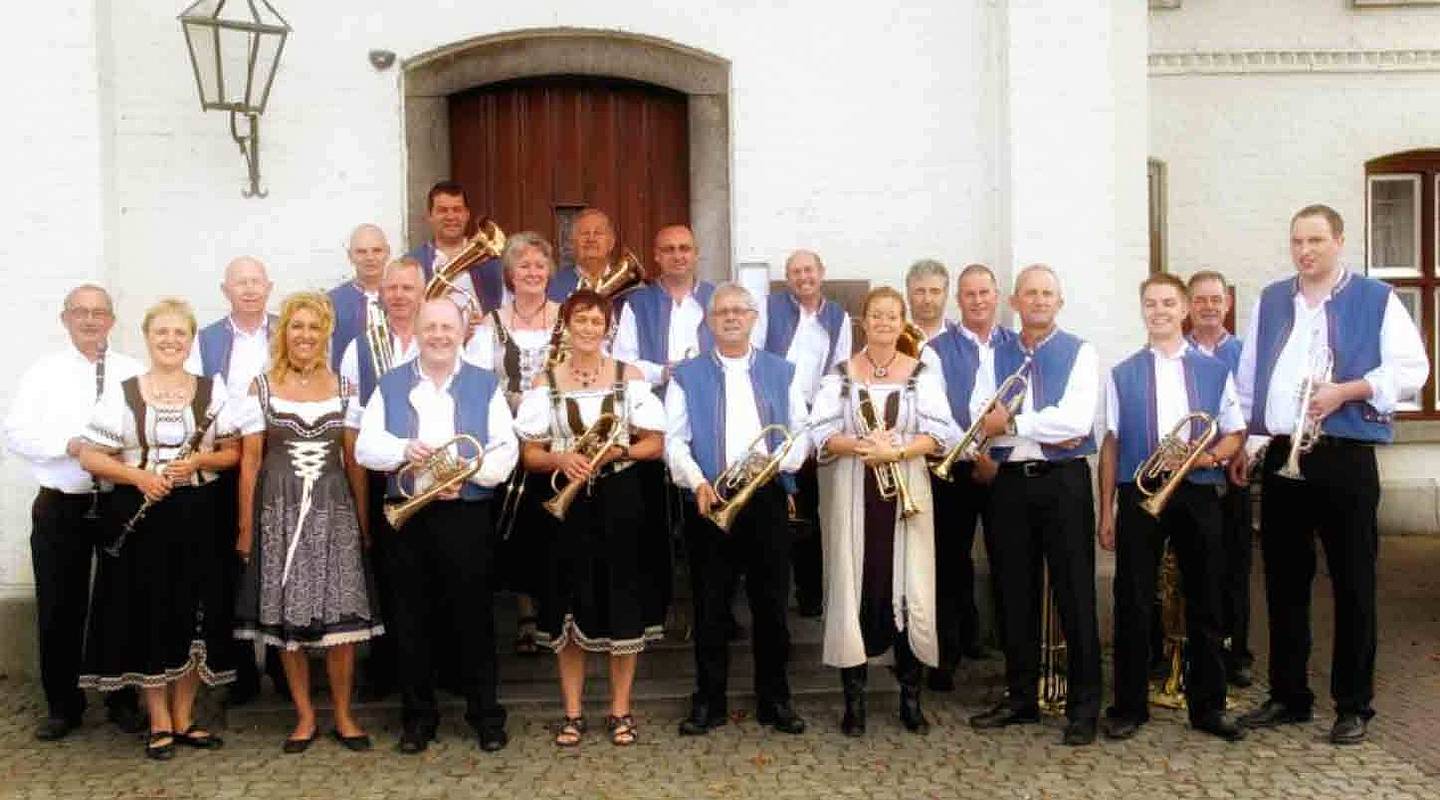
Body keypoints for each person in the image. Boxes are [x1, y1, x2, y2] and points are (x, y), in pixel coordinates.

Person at [1233, 204, 1428, 745]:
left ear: (1339, 241)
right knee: (1283, 581)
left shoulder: (1375, 299)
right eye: (1297, 240)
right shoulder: (1272, 299)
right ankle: (1289, 695)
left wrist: (1345, 391)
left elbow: (1414, 370)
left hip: (1345, 454)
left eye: (1316, 240)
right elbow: (1251, 377)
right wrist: (1249, 440)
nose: (1305, 250)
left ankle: (1354, 704)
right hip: (1281, 455)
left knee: (1353, 582)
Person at [75, 298, 237, 760]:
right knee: (151, 613)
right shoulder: (124, 391)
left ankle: (184, 716)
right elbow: (90, 455)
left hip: (199, 512)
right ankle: (158, 719)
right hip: (141, 512)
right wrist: (141, 477)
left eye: (179, 333)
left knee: (193, 613)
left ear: (190, 340)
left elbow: (233, 452)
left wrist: (201, 460)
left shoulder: (212, 389)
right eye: (161, 333)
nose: (170, 341)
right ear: (148, 338)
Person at [355, 299, 519, 754]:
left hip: (464, 514)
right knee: (409, 619)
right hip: (407, 516)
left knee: (473, 618)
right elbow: (366, 448)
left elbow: (505, 451)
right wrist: (405, 449)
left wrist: (465, 472)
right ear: (418, 331)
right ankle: (417, 719)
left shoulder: (484, 384)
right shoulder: (390, 383)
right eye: (431, 327)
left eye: (448, 327)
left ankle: (485, 716)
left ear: (463, 332)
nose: (440, 335)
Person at [1096, 273, 1247, 742]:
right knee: (1133, 598)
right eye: (1149, 304)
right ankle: (1128, 706)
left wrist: (1208, 456)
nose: (1158, 311)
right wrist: (1106, 512)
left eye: (1167, 303)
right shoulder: (1121, 373)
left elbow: (1235, 433)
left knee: (1206, 597)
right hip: (1142, 490)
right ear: (1142, 310)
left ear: (1183, 310)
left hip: (1198, 486)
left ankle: (1208, 707)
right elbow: (1110, 445)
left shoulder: (1214, 370)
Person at [232, 292, 384, 753]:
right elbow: (250, 462)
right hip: (280, 511)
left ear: (326, 335)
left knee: (341, 620)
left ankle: (342, 714)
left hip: (334, 511)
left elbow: (354, 460)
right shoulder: (260, 387)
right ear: (284, 333)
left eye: (313, 327)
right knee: (287, 622)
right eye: (296, 326)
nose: (305, 335)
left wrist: (362, 519)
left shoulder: (345, 388)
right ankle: (303, 716)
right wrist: (245, 526)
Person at [515, 290, 666, 746]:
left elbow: (654, 444)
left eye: (596, 321)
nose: (587, 328)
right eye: (580, 320)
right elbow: (529, 454)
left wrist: (618, 450)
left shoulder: (629, 375)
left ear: (607, 328)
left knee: (621, 602)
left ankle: (621, 711)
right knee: (569, 606)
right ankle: (573, 713)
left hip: (620, 501)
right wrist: (560, 458)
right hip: (567, 505)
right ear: (566, 324)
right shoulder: (545, 382)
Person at [665, 283, 810, 736]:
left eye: (739, 311)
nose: (730, 318)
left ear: (753, 319)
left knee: (771, 606)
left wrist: (779, 464)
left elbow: (802, 433)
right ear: (709, 323)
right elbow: (674, 440)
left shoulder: (781, 371)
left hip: (765, 495)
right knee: (709, 607)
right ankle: (709, 701)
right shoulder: (686, 375)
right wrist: (697, 481)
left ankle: (776, 699)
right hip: (712, 497)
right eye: (722, 312)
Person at [968, 264, 1102, 747]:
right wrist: (998, 423)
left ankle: (1084, 706)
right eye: (1031, 293)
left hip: (1063, 481)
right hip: (1008, 485)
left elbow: (1075, 421)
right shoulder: (994, 353)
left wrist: (1016, 423)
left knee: (1075, 593)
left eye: (1048, 293)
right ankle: (1020, 697)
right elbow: (979, 413)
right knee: (1013, 594)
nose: (1040, 300)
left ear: (1059, 302)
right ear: (1015, 302)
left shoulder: (1081, 351)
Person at [3, 285, 145, 740]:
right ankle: (63, 704)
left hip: (118, 501)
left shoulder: (132, 371)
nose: (90, 321)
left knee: (122, 603)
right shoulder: (43, 373)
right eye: (80, 313)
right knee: (60, 606)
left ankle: (122, 698)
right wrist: (68, 444)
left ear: (111, 320)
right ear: (64, 318)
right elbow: (16, 434)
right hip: (63, 502)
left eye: (99, 312)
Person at [810, 287, 951, 736]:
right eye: (877, 316)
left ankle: (911, 698)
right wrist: (861, 446)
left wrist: (899, 449)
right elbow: (821, 432)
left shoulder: (923, 373)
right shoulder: (841, 374)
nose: (885, 324)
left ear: (902, 322)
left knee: (911, 585)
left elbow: (941, 432)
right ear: (863, 322)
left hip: (907, 488)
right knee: (856, 584)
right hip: (855, 489)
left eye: (893, 317)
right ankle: (855, 702)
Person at [185, 255, 277, 706]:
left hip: (280, 457)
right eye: (240, 283)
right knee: (229, 565)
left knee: (280, 559)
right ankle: (237, 668)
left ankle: (281, 665)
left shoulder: (288, 330)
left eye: (256, 282)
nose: (249, 289)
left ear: (269, 287)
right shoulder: (207, 339)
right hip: (228, 457)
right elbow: (199, 396)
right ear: (226, 291)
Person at [468, 232, 562, 654]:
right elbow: (474, 380)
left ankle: (557, 611)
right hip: (509, 435)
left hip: (558, 435)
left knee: (557, 521)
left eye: (539, 265)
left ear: (550, 272)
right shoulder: (491, 323)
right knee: (518, 526)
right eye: (523, 265)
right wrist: (510, 399)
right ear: (509, 274)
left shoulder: (566, 316)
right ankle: (526, 612)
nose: (532, 272)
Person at [923, 263, 1010, 692]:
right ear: (960, 301)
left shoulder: (1016, 345)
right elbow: (937, 412)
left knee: (1010, 560)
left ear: (996, 296)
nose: (978, 300)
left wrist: (998, 455)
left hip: (1007, 468)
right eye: (970, 294)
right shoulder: (936, 349)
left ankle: (1016, 659)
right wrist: (975, 455)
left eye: (984, 293)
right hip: (955, 468)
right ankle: (946, 657)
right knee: (949, 563)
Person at [752, 249, 852, 619]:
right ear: (787, 277)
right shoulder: (769, 307)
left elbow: (839, 370)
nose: (803, 277)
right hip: (774, 415)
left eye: (809, 270)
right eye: (795, 272)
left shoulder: (838, 316)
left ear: (821, 273)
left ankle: (810, 594)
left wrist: (820, 422)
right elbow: (758, 359)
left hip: (815, 415)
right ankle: (770, 594)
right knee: (773, 503)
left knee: (808, 507)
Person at [1185, 269, 1253, 688]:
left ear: (1227, 304)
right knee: (1187, 566)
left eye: (1216, 300)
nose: (1209, 307)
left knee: (1234, 566)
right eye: (1201, 300)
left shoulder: (1247, 352)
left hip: (1233, 471)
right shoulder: (1177, 351)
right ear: (1189, 305)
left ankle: (1237, 652)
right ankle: (1183, 649)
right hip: (1190, 477)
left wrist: (1245, 451)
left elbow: (1255, 409)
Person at [406, 180, 505, 314]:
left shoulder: (491, 262)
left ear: (467, 215)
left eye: (457, 210)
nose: (451, 216)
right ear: (430, 216)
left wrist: (486, 322)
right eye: (442, 210)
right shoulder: (412, 263)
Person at [339, 257, 424, 403]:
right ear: (382, 293)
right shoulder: (358, 348)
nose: (398, 295)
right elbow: (348, 409)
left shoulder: (438, 343)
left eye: (407, 288)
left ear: (422, 293)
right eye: (392, 288)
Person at [328, 224, 392, 370]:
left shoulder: (403, 297)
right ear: (350, 256)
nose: (370, 258)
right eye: (361, 252)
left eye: (377, 250)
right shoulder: (331, 302)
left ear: (388, 252)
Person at [547, 207, 635, 306]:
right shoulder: (553, 285)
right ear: (572, 242)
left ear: (611, 242)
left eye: (598, 233)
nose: (591, 239)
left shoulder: (630, 288)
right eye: (584, 233)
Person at [905, 259, 950, 342]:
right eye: (920, 291)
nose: (927, 300)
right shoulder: (893, 338)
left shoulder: (963, 341)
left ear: (946, 294)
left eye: (935, 291)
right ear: (908, 294)